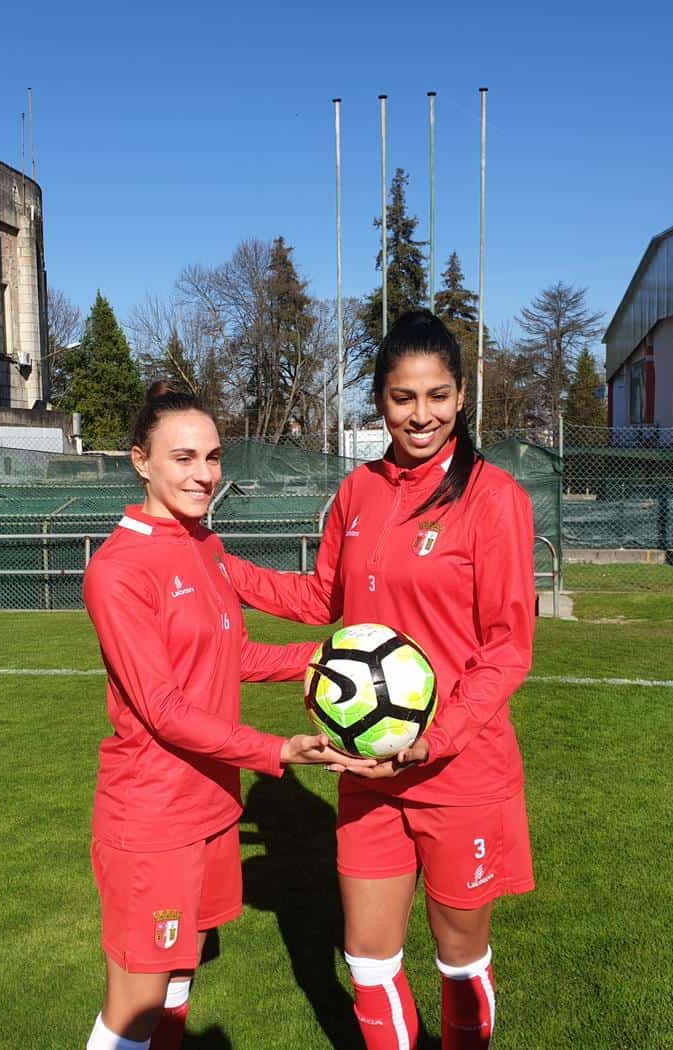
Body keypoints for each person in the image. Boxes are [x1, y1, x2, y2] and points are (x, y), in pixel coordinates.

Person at [221, 310, 537, 1049]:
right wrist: (222, 569)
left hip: (461, 769)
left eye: (436, 395)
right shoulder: (357, 492)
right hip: (366, 769)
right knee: (367, 958)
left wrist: (438, 739)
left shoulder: (494, 500)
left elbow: (507, 649)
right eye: (403, 397)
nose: (420, 415)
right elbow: (321, 599)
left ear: (461, 397)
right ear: (380, 400)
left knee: (459, 963)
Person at [81, 382, 369, 1050]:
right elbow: (163, 708)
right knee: (138, 1001)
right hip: (152, 816)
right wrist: (277, 752)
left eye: (212, 457)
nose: (205, 474)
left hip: (213, 804)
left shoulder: (203, 547)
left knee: (179, 976)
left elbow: (234, 652)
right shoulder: (118, 571)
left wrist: (328, 658)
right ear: (139, 460)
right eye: (183, 458)